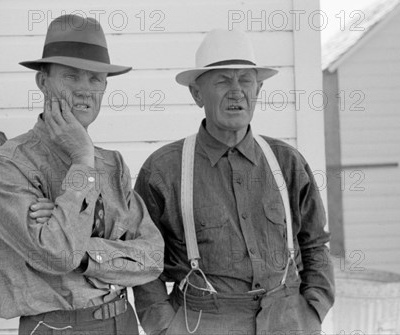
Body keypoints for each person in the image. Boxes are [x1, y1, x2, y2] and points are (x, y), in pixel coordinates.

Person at [133, 29, 335, 335]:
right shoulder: (164, 170)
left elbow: (315, 243)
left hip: (287, 320)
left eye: (245, 80)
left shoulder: (287, 162)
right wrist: (164, 327)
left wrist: (313, 309)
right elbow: (141, 259)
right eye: (222, 80)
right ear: (197, 94)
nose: (236, 91)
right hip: (202, 322)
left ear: (259, 88)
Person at [0, 14, 164, 335]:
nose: (84, 90)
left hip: (122, 321)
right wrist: (81, 160)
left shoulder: (113, 164)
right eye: (71, 76)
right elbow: (60, 255)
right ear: (42, 81)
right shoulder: (9, 166)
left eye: (95, 79)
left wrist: (84, 251)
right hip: (55, 326)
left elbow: (152, 258)